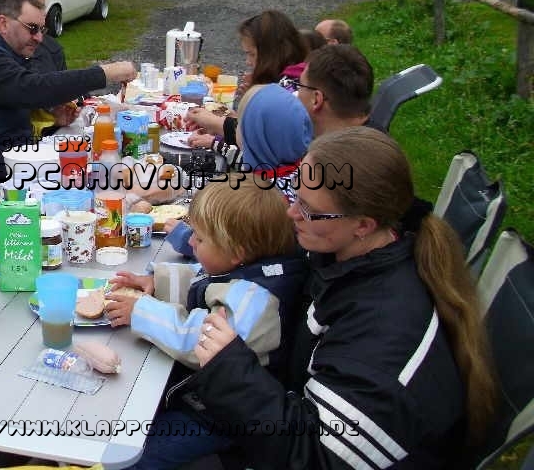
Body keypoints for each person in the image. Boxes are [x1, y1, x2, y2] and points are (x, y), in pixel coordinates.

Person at [185, 127, 497, 469]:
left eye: (308, 209)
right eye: (296, 196)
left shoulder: (384, 334)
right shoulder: (343, 253)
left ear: (363, 225)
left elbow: (314, 458)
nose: (291, 214)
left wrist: (230, 369)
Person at [106, 180, 306, 468]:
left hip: (219, 415)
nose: (190, 242)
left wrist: (142, 312)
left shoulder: (253, 299)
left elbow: (200, 340)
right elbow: (202, 280)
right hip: (203, 396)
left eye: (199, 239)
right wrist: (155, 282)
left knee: (134, 457)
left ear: (236, 251)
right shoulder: (244, 267)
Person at [0, 0, 136, 185]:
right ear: (3, 24)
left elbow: (5, 111)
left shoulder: (2, 53)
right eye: (32, 28)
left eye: (42, 29)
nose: (39, 37)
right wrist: (105, 72)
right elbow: (35, 89)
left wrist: (52, 122)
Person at [165, 83, 312, 257]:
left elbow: (227, 252)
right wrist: (214, 143)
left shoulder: (258, 198)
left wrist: (185, 239)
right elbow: (242, 159)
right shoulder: (291, 171)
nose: (233, 128)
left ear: (255, 137)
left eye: (240, 124)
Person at [186, 10, 307, 150]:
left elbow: (260, 146)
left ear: (271, 53)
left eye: (251, 54)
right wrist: (231, 119)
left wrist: (214, 126)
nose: (248, 62)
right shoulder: (289, 79)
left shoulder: (291, 89)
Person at [9, 0, 81, 137]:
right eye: (37, 8)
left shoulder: (52, 48)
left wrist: (57, 116)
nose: (44, 13)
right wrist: (103, 74)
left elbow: (65, 88)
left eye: (44, 8)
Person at [292, 44, 375, 136]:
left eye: (300, 85)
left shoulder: (322, 149)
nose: (297, 93)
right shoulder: (381, 140)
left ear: (316, 99)